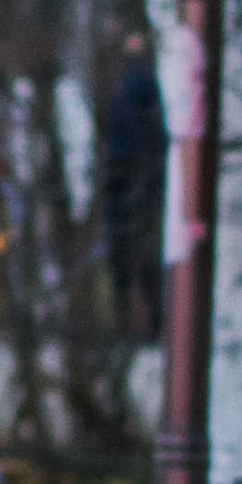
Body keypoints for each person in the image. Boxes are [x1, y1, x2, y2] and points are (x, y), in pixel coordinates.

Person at [101, 26, 167, 339]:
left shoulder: (125, 89)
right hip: (144, 181)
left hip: (129, 181)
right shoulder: (154, 91)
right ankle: (150, 320)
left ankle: (134, 320)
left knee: (129, 258)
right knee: (145, 257)